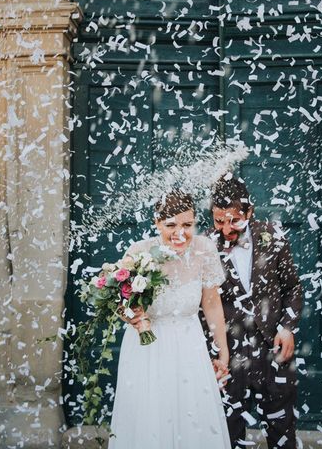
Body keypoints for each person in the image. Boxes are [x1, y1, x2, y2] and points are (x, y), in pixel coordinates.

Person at [108, 190, 231, 449]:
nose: (180, 233)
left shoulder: (204, 249)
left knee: (192, 414)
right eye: (171, 225)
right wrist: (133, 316)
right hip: (147, 349)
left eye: (187, 225)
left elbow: (211, 304)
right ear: (156, 223)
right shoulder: (138, 253)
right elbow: (121, 304)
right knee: (150, 416)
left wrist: (222, 352)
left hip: (189, 345)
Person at [208, 175, 303, 449]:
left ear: (250, 211)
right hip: (226, 353)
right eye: (218, 221)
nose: (226, 229)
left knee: (282, 429)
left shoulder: (273, 236)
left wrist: (287, 327)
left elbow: (293, 288)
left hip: (272, 349)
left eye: (234, 220)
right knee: (227, 431)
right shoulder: (204, 246)